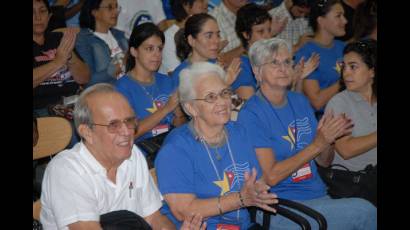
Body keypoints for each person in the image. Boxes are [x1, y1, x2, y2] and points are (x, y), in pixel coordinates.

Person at [237, 37, 376, 229]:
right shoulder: (250, 114)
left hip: (318, 195)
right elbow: (271, 176)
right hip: (280, 204)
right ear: (256, 71)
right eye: (274, 63)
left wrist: (327, 141)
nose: (283, 68)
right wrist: (317, 145)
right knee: (365, 211)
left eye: (287, 61)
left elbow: (323, 162)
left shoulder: (300, 102)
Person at [155, 62, 278, 229]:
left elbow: (258, 181)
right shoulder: (175, 149)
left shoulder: (239, 133)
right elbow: (183, 210)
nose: (222, 102)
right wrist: (240, 199)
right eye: (211, 97)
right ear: (192, 108)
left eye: (224, 93)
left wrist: (257, 190)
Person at [40, 83, 175, 229]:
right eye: (113, 125)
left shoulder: (133, 154)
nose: (127, 132)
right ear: (87, 133)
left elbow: (153, 218)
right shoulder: (67, 170)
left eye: (129, 121)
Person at [115, 23, 186, 143]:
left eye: (159, 49)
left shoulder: (167, 81)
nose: (157, 54)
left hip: (172, 145)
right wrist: (166, 108)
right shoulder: (121, 88)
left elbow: (182, 125)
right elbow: (129, 133)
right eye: (149, 48)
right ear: (134, 52)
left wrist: (179, 116)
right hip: (143, 152)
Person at [325, 39, 377, 171]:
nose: (346, 73)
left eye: (353, 67)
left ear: (372, 71)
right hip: (353, 182)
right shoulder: (339, 103)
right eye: (344, 66)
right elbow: (345, 150)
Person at [34, 0, 90, 116]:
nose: (38, 17)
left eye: (42, 11)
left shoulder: (59, 38)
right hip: (43, 110)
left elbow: (84, 78)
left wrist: (69, 57)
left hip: (74, 105)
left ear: (49, 16)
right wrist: (57, 62)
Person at [294, 0, 347, 119]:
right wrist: (345, 80)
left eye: (343, 15)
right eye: (338, 16)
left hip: (348, 112)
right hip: (323, 120)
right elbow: (316, 102)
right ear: (321, 21)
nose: (345, 21)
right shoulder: (307, 53)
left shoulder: (343, 47)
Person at [173, 13, 245, 99]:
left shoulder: (218, 65)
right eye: (209, 36)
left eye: (218, 35)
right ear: (191, 40)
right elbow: (190, 110)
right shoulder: (180, 75)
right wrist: (223, 84)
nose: (216, 41)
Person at [76, 0, 128, 87]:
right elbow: (88, 81)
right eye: (110, 7)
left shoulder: (120, 35)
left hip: (129, 88)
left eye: (116, 7)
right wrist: (118, 67)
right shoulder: (83, 40)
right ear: (95, 12)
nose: (116, 11)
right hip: (104, 93)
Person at [159, 0, 209, 75]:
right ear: (186, 5)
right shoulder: (169, 37)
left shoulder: (206, 31)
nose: (206, 3)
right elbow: (176, 75)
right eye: (201, 0)